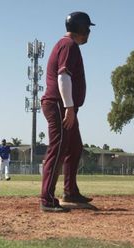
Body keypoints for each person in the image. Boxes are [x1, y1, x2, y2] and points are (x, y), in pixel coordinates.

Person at [39, 11, 95, 212]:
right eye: (87, 28)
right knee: (58, 149)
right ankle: (46, 199)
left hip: (64, 105)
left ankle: (70, 192)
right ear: (81, 29)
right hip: (59, 105)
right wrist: (69, 107)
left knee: (75, 147)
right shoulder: (69, 45)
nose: (88, 32)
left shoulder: (68, 45)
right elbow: (63, 77)